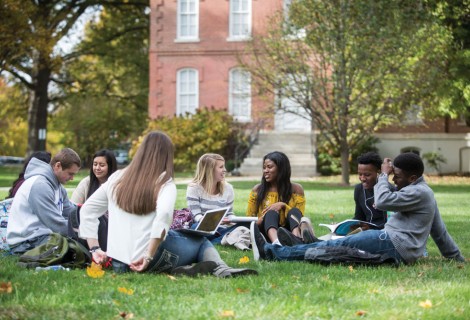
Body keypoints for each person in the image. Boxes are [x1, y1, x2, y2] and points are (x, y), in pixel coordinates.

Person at [79, 131, 257, 277]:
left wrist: (94, 248)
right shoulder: (164, 183)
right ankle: (221, 269)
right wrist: (147, 256)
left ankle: (185, 269)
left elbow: (87, 210)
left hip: (119, 262)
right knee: (200, 240)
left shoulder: (116, 178)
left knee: (179, 237)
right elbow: (164, 216)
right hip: (151, 258)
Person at [250, 152, 465, 264]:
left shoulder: (418, 192)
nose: (393, 181)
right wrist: (456, 257)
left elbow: (382, 201)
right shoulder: (425, 193)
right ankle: (291, 247)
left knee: (333, 250)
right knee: (335, 252)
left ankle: (273, 251)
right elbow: (439, 231)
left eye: (396, 178)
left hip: (390, 241)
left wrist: (382, 176)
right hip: (395, 245)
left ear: (413, 178)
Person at [7, 148, 81, 254]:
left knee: (81, 246)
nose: (72, 178)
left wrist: (89, 218)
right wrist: (83, 232)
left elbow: (71, 213)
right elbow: (56, 224)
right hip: (25, 243)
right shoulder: (40, 185)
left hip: (44, 237)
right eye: (70, 173)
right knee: (74, 250)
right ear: (58, 166)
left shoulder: (59, 188)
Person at [246, 151, 314, 246]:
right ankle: (276, 244)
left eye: (269, 167)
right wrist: (262, 219)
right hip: (266, 233)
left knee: (294, 211)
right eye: (264, 167)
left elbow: (299, 216)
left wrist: (283, 205)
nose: (265, 170)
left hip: (288, 231)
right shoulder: (257, 190)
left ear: (281, 169)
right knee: (271, 213)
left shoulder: (296, 189)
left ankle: (296, 240)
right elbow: (249, 220)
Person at [71, 149, 117, 251]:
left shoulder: (117, 185)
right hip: (90, 229)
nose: (97, 168)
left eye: (102, 165)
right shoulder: (86, 183)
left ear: (110, 166)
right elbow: (73, 207)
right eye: (95, 164)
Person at [186, 153, 236, 244]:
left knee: (246, 225)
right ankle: (224, 239)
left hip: (222, 228)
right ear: (209, 170)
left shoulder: (228, 188)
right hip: (202, 227)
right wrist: (213, 221)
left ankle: (214, 240)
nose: (225, 170)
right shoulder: (194, 188)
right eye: (221, 167)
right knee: (195, 228)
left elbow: (229, 213)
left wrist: (231, 219)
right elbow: (196, 215)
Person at [353, 151, 388, 228]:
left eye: (367, 175)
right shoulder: (359, 189)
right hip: (365, 231)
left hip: (382, 233)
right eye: (360, 174)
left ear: (378, 172)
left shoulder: (388, 190)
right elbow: (359, 217)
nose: (362, 178)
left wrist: (371, 228)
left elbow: (391, 222)